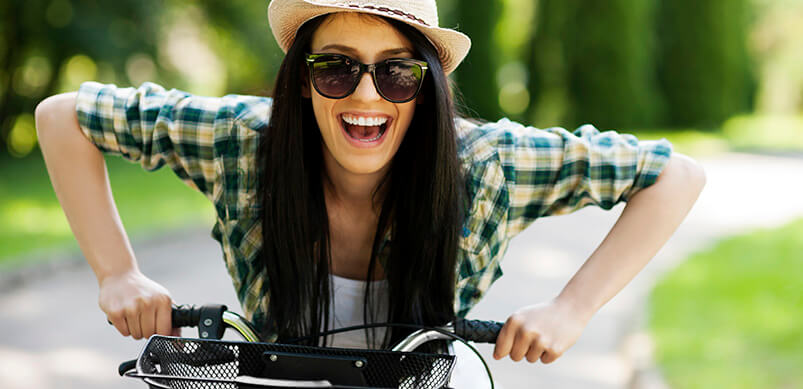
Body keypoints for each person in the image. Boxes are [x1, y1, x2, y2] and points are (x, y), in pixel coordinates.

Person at [34, 0, 705, 371]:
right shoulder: (245, 140)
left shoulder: (485, 163)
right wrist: (116, 272)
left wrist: (571, 308)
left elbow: (674, 174)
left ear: (428, 88)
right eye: (335, 68)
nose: (364, 95)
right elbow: (62, 116)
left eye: (395, 74)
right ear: (301, 79)